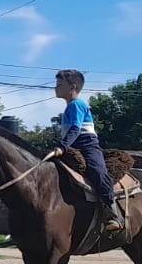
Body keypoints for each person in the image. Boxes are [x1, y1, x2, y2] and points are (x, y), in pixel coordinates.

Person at [49, 69, 122, 232]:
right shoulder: (68, 107)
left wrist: (62, 146)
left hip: (87, 145)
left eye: (59, 84)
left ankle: (112, 213)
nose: (56, 87)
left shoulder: (77, 105)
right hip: (72, 145)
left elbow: (75, 129)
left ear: (72, 87)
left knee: (98, 171)